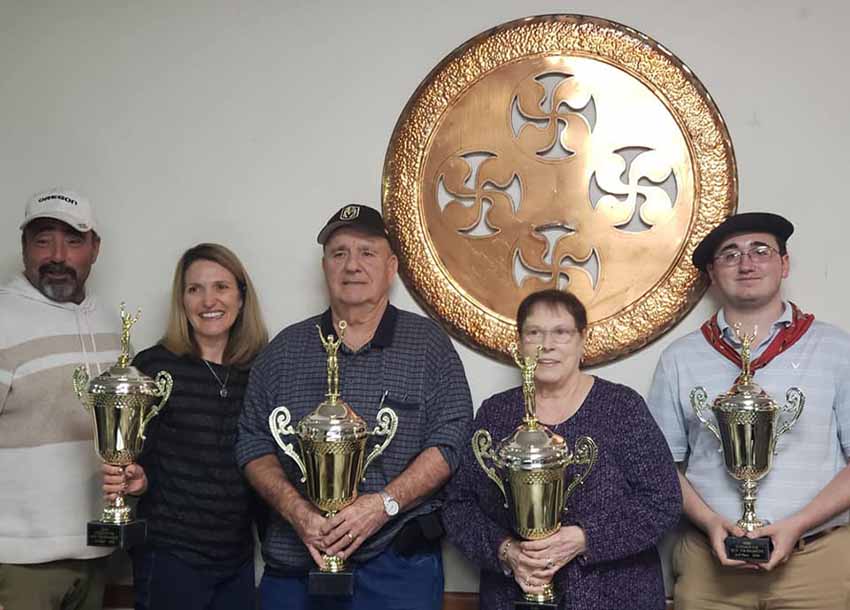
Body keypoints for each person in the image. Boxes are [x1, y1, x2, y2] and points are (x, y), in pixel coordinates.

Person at [235, 204, 472, 610]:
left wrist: (383, 505)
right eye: (339, 252)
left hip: (396, 565)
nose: (352, 265)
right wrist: (297, 512)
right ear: (325, 265)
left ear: (391, 266)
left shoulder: (428, 345)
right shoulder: (284, 351)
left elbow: (451, 439)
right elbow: (251, 442)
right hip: (296, 561)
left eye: (367, 252)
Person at [647, 212, 850, 609]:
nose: (746, 263)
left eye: (761, 250)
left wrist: (797, 525)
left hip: (815, 564)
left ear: (784, 263)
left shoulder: (837, 350)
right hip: (710, 566)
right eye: (730, 254)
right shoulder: (680, 358)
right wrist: (710, 523)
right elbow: (660, 466)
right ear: (712, 272)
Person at [444, 289, 681, 610]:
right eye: (534, 333)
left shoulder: (622, 408)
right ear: (519, 342)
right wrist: (506, 551)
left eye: (561, 332)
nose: (547, 345)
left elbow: (663, 501)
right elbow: (458, 505)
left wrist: (585, 538)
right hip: (512, 597)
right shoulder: (495, 414)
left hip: (616, 596)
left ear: (583, 340)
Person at [101, 243, 269, 610]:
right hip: (171, 558)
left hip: (236, 558)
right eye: (195, 289)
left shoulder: (259, 368)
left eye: (221, 287)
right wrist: (138, 481)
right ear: (182, 300)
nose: (209, 300)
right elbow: (138, 458)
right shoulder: (155, 367)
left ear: (241, 296)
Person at [0, 189, 120, 610]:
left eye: (72, 241)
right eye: (42, 240)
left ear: (95, 248)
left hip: (96, 551)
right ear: (23, 248)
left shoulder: (111, 322)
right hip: (18, 564)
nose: (57, 255)